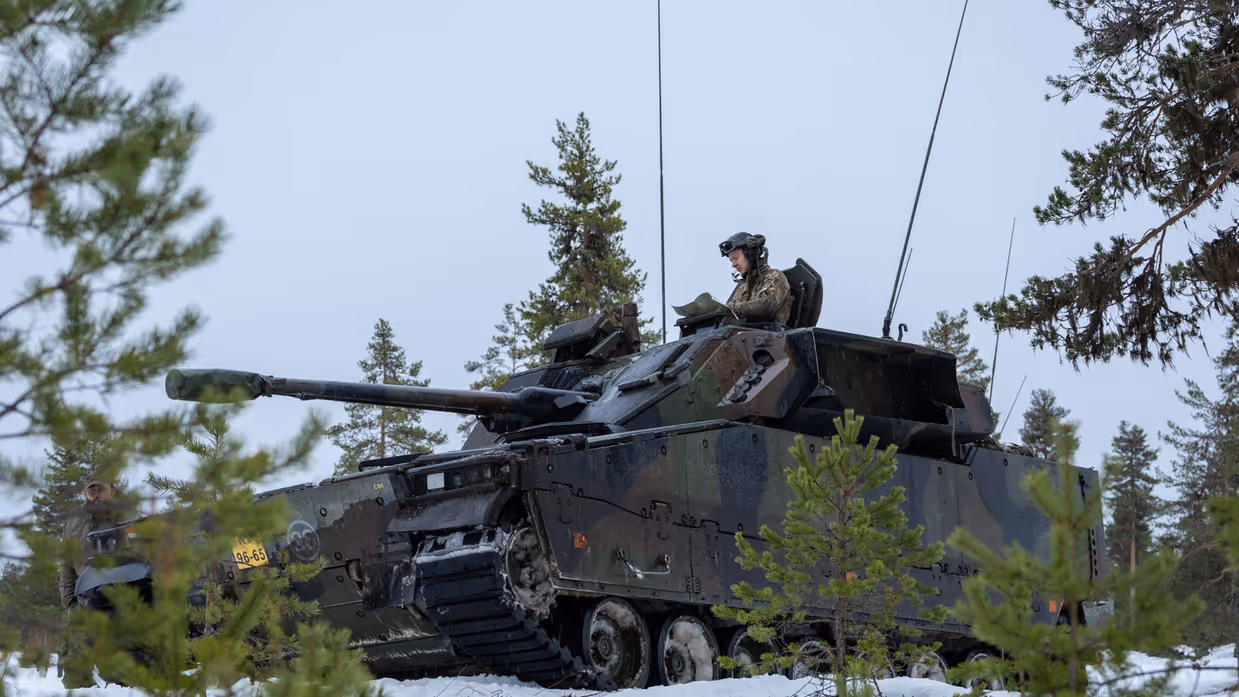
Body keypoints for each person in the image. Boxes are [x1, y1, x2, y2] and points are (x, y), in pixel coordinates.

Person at [719, 232, 793, 324]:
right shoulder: (741, 290)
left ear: (750, 254)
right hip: (741, 335)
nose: (733, 265)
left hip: (768, 335)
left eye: (736, 258)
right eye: (731, 260)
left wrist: (733, 309)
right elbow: (727, 312)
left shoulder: (774, 276)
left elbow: (767, 306)